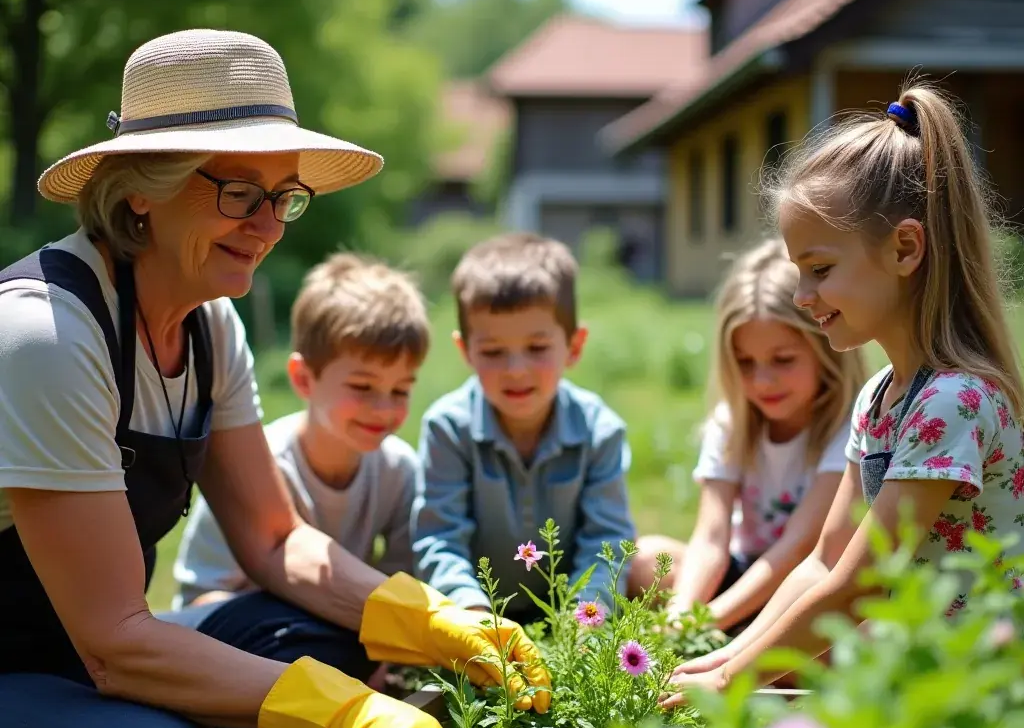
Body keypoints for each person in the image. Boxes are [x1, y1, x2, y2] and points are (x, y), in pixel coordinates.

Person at [0, 28, 549, 728]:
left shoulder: (210, 328)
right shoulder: (47, 335)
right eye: (237, 193)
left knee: (320, 637)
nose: (266, 226)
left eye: (282, 197)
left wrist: (427, 624)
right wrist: (340, 714)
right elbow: (115, 641)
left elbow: (274, 539)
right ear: (143, 190)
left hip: (72, 659)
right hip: (41, 661)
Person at [661, 82, 1024, 707]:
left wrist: (729, 682)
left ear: (905, 248)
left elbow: (859, 583)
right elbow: (822, 563)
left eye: (820, 269)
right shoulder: (881, 397)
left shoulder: (953, 401)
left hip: (981, 679)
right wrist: (724, 657)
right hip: (914, 661)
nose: (803, 295)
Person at [627, 238, 868, 634]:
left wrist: (704, 623)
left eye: (783, 360)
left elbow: (799, 547)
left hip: (805, 584)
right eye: (745, 363)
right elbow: (711, 536)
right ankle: (746, 640)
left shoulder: (849, 427)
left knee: (849, 631)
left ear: (827, 350)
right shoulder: (732, 423)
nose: (763, 380)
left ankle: (749, 643)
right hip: (742, 574)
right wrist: (681, 616)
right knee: (647, 559)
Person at [172, 252, 426, 610]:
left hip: (339, 622)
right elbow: (201, 597)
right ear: (304, 379)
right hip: (246, 631)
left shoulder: (399, 471)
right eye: (363, 387)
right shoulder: (261, 466)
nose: (384, 408)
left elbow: (403, 585)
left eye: (400, 390)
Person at [412, 231, 636, 617]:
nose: (516, 371)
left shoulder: (600, 430)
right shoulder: (448, 428)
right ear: (465, 351)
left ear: (574, 346)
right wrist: (473, 612)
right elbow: (439, 540)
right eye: (493, 351)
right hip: (476, 615)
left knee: (659, 562)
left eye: (537, 348)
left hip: (569, 618)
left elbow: (607, 540)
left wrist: (588, 615)